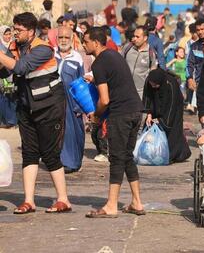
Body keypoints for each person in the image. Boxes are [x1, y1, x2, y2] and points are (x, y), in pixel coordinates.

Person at [0, 12, 71, 214]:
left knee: (50, 154)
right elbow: (5, 71)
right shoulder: (15, 46)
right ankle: (29, 201)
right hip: (26, 107)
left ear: (31, 31)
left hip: (49, 107)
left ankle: (63, 199)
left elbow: (21, 67)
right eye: (14, 29)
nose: (15, 33)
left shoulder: (43, 49)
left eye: (19, 30)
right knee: (29, 153)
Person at [83, 26, 145, 218]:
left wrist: (96, 116)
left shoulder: (98, 63)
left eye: (85, 41)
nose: (84, 44)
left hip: (121, 113)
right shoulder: (114, 55)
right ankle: (137, 202)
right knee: (126, 156)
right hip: (136, 110)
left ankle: (111, 205)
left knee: (117, 158)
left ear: (95, 42)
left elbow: (105, 100)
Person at [142, 69, 191, 163]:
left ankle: (171, 154)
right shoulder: (149, 81)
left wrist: (162, 121)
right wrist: (149, 114)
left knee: (172, 130)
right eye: (152, 84)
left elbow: (171, 106)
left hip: (173, 108)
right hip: (155, 106)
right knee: (150, 128)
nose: (153, 86)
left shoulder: (170, 84)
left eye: (155, 85)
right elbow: (147, 97)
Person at [55, 26, 85, 174]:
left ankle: (72, 162)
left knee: (72, 132)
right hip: (53, 100)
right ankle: (57, 162)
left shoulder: (77, 58)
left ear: (72, 39)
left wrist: (81, 107)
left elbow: (82, 83)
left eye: (66, 37)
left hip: (72, 102)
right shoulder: (50, 55)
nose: (63, 40)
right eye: (60, 37)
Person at [121, 26, 157, 99]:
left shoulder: (150, 53)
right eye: (134, 36)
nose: (135, 39)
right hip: (124, 91)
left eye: (137, 37)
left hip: (141, 94)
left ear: (145, 38)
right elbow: (119, 63)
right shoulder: (128, 47)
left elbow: (153, 70)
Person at [0, 26, 17, 128]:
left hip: (12, 74)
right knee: (3, 97)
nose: (8, 36)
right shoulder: (0, 45)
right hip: (2, 75)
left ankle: (12, 120)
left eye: (9, 34)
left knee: (12, 97)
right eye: (5, 34)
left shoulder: (14, 45)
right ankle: (4, 120)